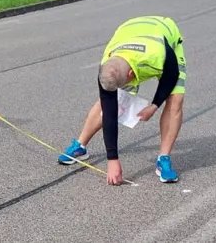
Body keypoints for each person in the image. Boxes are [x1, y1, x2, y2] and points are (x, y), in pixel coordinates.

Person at [58, 15, 187, 185]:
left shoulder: (158, 54)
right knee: (113, 101)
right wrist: (112, 159)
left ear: (131, 75)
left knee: (176, 99)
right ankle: (80, 146)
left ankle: (163, 159)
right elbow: (109, 111)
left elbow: (171, 76)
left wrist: (154, 106)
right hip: (129, 33)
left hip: (163, 36)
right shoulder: (107, 65)